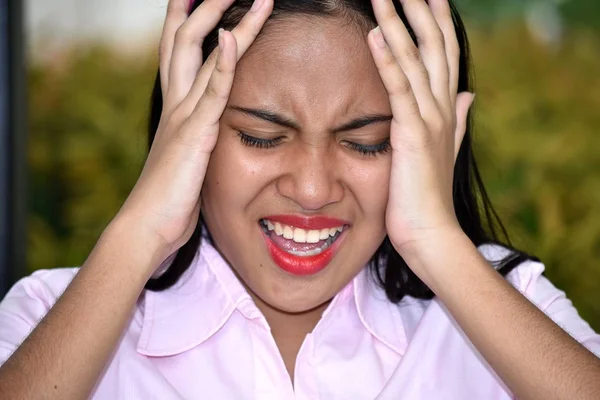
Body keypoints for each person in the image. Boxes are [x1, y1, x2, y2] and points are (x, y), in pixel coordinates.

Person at [1, 0, 599, 398]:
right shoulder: (50, 321)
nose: (312, 189)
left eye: (368, 143)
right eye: (262, 136)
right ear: (186, 131)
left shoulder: (512, 309)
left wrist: (436, 242)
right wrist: (140, 234)